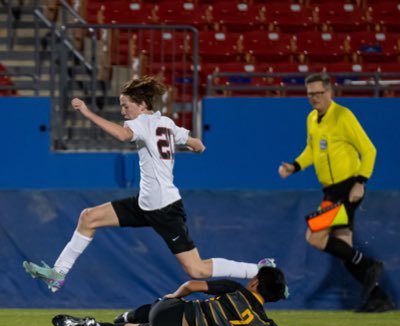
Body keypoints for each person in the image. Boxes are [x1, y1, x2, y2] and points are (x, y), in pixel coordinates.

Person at [23, 76, 269, 292]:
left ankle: (258, 270)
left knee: (197, 270)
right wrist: (197, 147)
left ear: (142, 105)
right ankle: (58, 273)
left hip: (164, 208)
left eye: (125, 106)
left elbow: (122, 135)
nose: (122, 112)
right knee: (88, 217)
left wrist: (87, 113)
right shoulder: (167, 123)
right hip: (146, 203)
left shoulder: (140, 123)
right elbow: (196, 143)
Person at [278, 72, 394, 313]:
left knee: (314, 235)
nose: (315, 98)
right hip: (331, 190)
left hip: (347, 187)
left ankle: (371, 264)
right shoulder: (312, 118)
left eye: (319, 93)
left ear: (330, 92)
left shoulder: (343, 115)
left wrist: (361, 182)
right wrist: (295, 166)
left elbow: (369, 149)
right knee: (344, 247)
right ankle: (379, 298)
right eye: (310, 94)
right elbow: (312, 149)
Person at [52, 265, 338, 326]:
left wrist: (173, 295)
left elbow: (191, 284)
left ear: (255, 282)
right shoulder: (263, 325)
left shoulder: (234, 289)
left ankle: (125, 316)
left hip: (172, 311)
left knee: (151, 310)